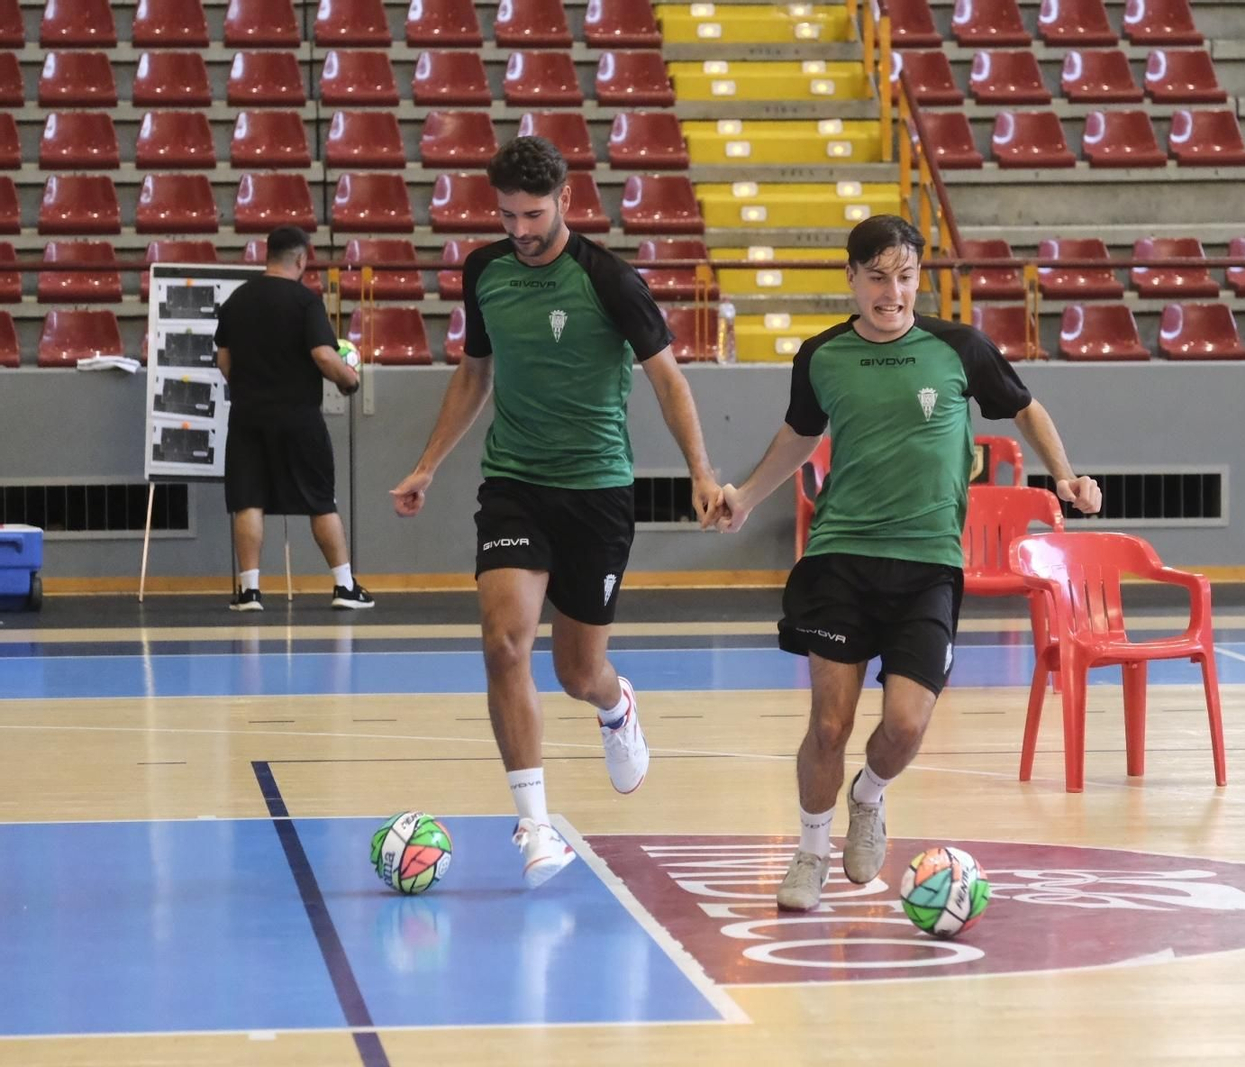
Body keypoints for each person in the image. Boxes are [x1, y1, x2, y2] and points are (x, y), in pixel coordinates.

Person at [713, 214, 1103, 911]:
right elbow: (798, 437)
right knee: (828, 725)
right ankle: (809, 851)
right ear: (851, 279)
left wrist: (1066, 475)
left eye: (905, 277)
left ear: (918, 279)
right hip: (841, 556)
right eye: (877, 278)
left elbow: (1025, 407)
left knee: (905, 724)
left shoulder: (958, 348)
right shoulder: (822, 355)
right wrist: (743, 494)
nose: (891, 293)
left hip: (927, 565)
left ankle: (869, 795)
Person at [389, 137, 722, 889]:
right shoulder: (485, 271)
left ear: (565, 200)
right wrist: (428, 464)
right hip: (514, 481)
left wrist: (701, 471)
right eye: (505, 215)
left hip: (598, 490)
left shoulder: (607, 279)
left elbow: (668, 380)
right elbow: (474, 373)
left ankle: (616, 704)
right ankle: (535, 823)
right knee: (504, 642)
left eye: (532, 215)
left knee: (578, 670)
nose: (519, 230)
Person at [214, 225, 373, 613]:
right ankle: (344, 586)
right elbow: (323, 354)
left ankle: (249, 591)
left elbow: (224, 359)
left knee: (248, 500)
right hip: (298, 417)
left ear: (267, 255)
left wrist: (251, 385)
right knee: (320, 501)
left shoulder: (237, 300)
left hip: (248, 416)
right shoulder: (305, 301)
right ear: (302, 259)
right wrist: (349, 380)